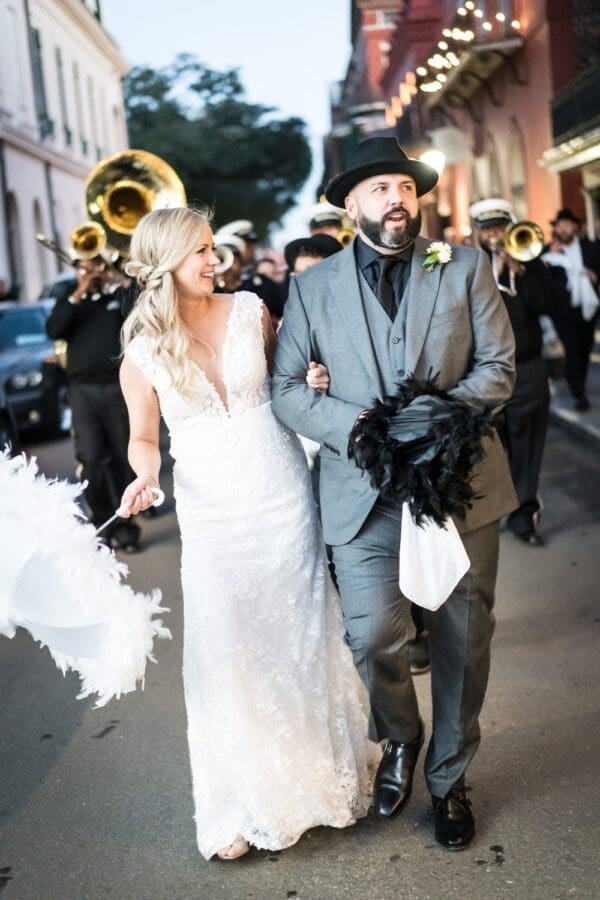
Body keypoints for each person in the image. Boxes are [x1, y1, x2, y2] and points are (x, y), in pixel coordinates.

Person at [272, 137, 517, 851]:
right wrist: (361, 427)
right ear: (350, 205)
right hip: (363, 492)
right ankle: (401, 737)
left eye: (405, 188)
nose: (396, 199)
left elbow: (500, 367)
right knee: (374, 633)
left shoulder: (466, 265)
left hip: (461, 485)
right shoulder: (313, 289)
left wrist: (438, 417)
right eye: (379, 189)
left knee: (463, 640)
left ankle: (449, 779)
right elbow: (286, 389)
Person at [118, 206, 377, 862]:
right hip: (212, 511)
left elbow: (288, 383)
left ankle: (321, 780)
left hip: (281, 493)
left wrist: (315, 380)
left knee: (300, 634)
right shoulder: (141, 351)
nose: (214, 260)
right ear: (165, 260)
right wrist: (142, 477)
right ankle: (236, 802)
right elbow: (145, 438)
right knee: (227, 651)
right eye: (199, 251)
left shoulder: (250, 310)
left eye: (212, 248)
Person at [471, 198, 563, 545]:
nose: (494, 235)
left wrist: (526, 273)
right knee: (494, 444)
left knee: (528, 443)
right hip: (484, 373)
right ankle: (502, 503)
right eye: (487, 229)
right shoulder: (469, 267)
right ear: (477, 232)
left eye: (499, 227)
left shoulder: (530, 261)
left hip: (527, 366)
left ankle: (524, 514)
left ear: (509, 227)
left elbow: (551, 306)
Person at [45, 257, 142, 552]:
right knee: (91, 459)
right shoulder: (69, 299)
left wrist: (120, 279)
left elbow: (138, 316)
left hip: (116, 387)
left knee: (123, 456)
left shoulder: (118, 295)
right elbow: (54, 329)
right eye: (84, 265)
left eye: (95, 264)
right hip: (82, 391)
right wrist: (79, 290)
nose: (91, 270)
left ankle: (125, 527)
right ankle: (102, 523)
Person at [543, 209, 600, 411]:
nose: (564, 228)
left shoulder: (590, 248)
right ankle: (579, 394)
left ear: (576, 227)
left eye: (568, 224)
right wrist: (550, 257)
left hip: (587, 309)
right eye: (560, 224)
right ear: (556, 228)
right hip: (562, 312)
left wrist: (595, 275)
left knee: (584, 349)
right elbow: (541, 280)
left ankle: (579, 384)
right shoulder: (548, 251)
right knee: (573, 350)